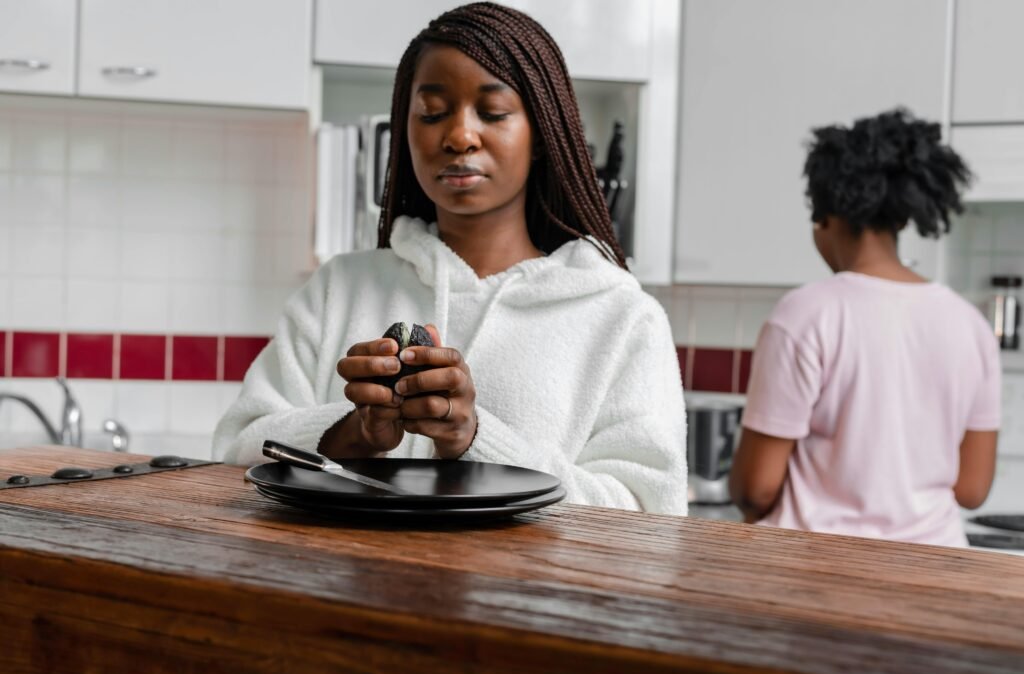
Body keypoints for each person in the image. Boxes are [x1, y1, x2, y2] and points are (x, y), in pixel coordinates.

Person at [212, 2, 688, 514]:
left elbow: (651, 515)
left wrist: (475, 440)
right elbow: (233, 453)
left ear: (542, 135)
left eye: (493, 112)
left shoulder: (621, 317)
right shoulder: (338, 290)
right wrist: (354, 433)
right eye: (432, 113)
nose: (459, 136)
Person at [729, 109, 999, 547]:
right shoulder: (970, 324)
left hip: (818, 572)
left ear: (825, 216)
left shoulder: (805, 313)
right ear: (903, 217)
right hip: (937, 573)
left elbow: (755, 489)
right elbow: (972, 489)